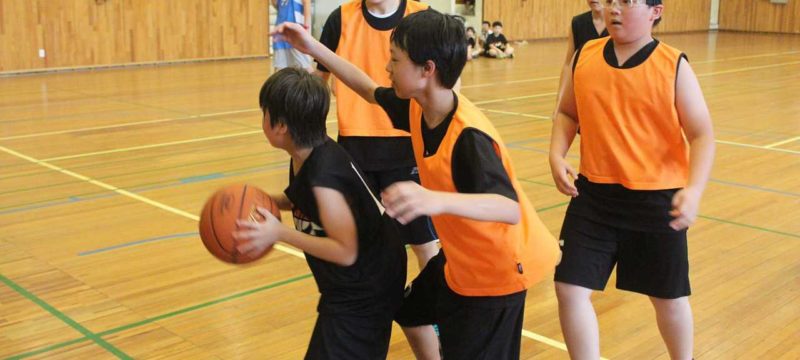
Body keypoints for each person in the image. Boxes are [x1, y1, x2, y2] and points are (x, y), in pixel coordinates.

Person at [273, 10, 561, 359]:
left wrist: (432, 200)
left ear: (427, 70)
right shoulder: (417, 105)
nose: (387, 68)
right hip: (458, 260)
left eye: (395, 60)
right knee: (409, 310)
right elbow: (366, 88)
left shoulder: (469, 137)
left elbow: (508, 207)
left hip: (497, 274)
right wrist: (312, 46)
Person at [549, 1, 715, 359]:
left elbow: (701, 134)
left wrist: (694, 191)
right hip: (594, 195)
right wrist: (556, 153)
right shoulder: (585, 56)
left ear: (656, 11)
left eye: (627, 2)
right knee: (569, 288)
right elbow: (566, 112)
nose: (615, 10)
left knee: (669, 300)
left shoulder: (673, 66)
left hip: (657, 201)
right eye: (611, 1)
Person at [235, 68, 407, 359]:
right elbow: (304, 198)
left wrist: (279, 233)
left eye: (264, 112)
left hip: (366, 286)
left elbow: (344, 251)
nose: (262, 118)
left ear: (280, 127)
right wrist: (273, 202)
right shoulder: (309, 151)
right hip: (358, 279)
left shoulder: (324, 177)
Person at [314, 0, 439, 274]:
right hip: (355, 149)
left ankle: (431, 312)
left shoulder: (421, 16)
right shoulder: (341, 18)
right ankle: (376, 310)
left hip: (409, 146)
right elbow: (318, 81)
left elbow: (445, 85)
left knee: (424, 242)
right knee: (367, 244)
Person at [554, 0, 609, 117]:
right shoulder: (578, 23)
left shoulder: (619, 23)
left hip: (609, 94)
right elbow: (568, 64)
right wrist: (559, 100)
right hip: (584, 92)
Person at [271, 0, 312, 71]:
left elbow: (307, 10)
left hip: (296, 34)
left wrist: (306, 33)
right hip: (281, 35)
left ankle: (312, 82)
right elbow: (276, 5)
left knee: (304, 66)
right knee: (280, 68)